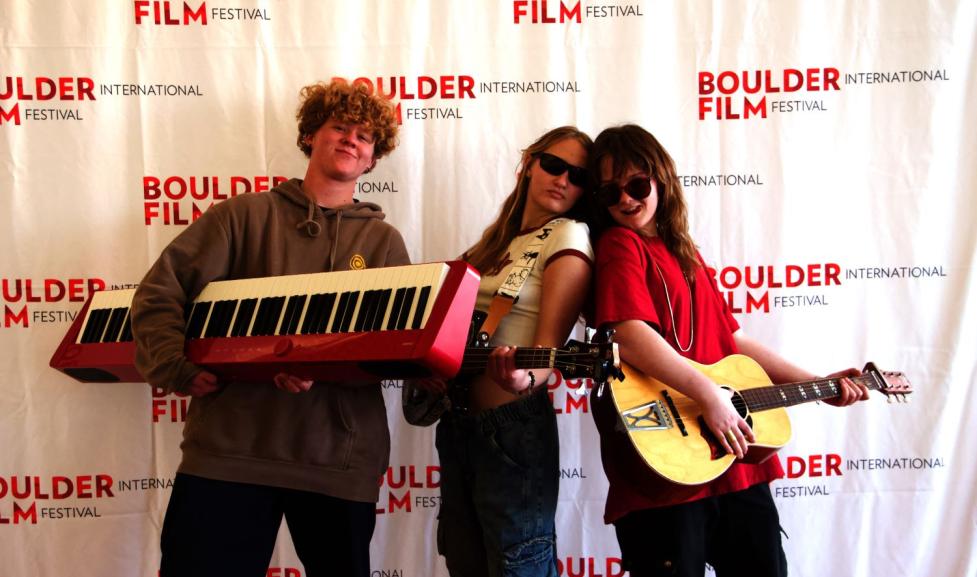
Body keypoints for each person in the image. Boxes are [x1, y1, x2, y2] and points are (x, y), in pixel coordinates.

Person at [130, 80, 406, 577]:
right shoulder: (240, 216)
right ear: (311, 136)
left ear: (372, 159)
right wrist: (174, 366)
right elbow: (159, 292)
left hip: (338, 460)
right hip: (229, 453)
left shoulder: (384, 242)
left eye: (364, 137)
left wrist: (323, 367)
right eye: (340, 127)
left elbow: (395, 346)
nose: (351, 140)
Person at [586, 124, 869, 577]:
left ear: (661, 179)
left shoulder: (685, 252)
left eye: (636, 185)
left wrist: (818, 383)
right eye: (609, 192)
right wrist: (709, 395)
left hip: (731, 459)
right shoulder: (620, 244)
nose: (625, 199)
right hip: (667, 470)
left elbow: (730, 339)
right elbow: (628, 333)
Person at [426, 126, 594, 577]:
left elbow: (548, 351)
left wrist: (527, 378)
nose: (563, 179)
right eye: (554, 165)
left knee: (518, 567)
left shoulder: (568, 234)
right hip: (458, 425)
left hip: (513, 429)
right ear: (529, 165)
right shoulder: (492, 243)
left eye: (578, 176)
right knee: (464, 563)